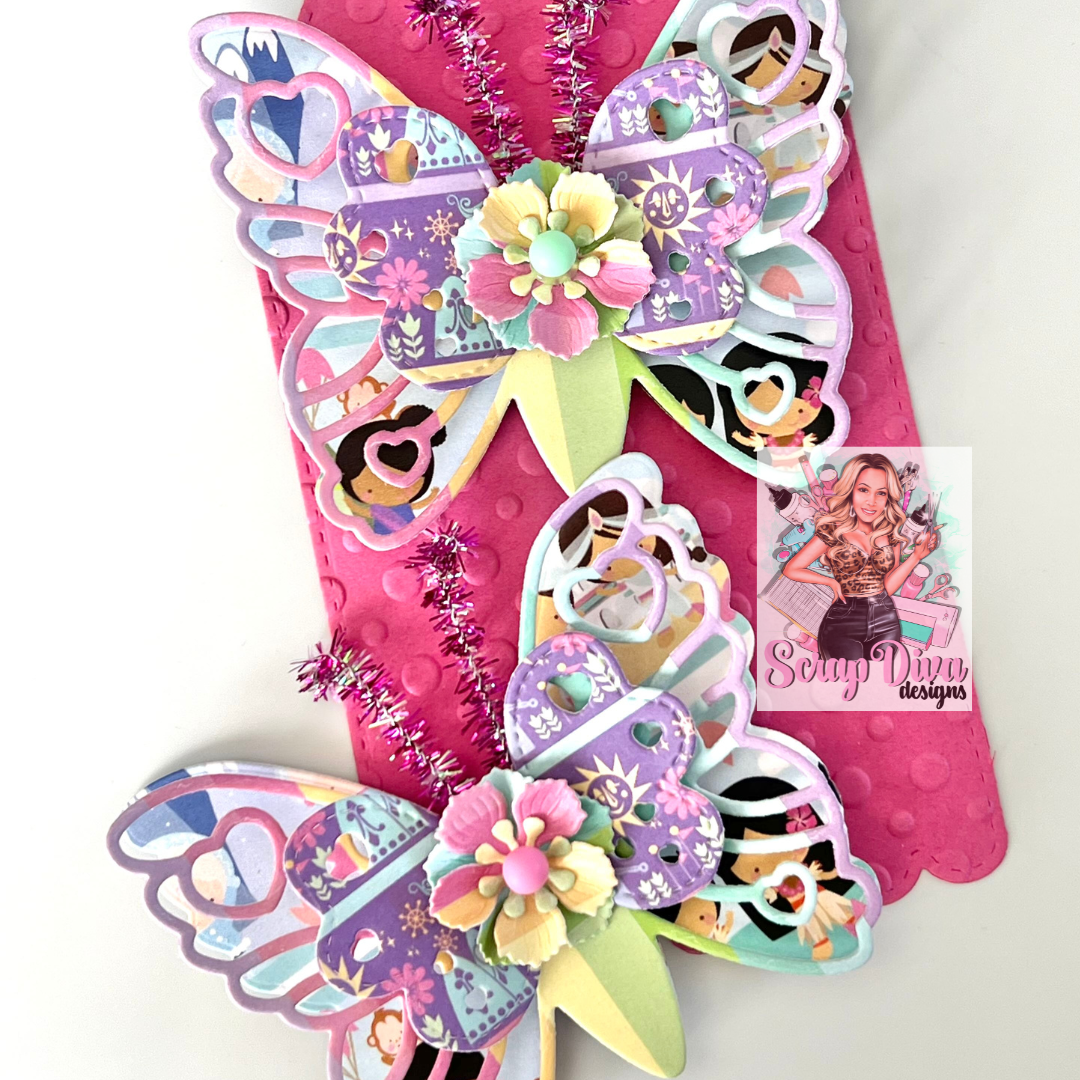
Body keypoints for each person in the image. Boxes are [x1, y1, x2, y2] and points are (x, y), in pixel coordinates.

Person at [782, 453, 940, 661]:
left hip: (885, 619)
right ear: (850, 490)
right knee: (845, 678)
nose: (871, 501)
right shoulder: (833, 530)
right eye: (863, 490)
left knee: (882, 678)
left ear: (888, 497)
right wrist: (830, 582)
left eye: (881, 493)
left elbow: (888, 586)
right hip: (843, 620)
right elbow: (791, 569)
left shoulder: (891, 532)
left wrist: (916, 556)